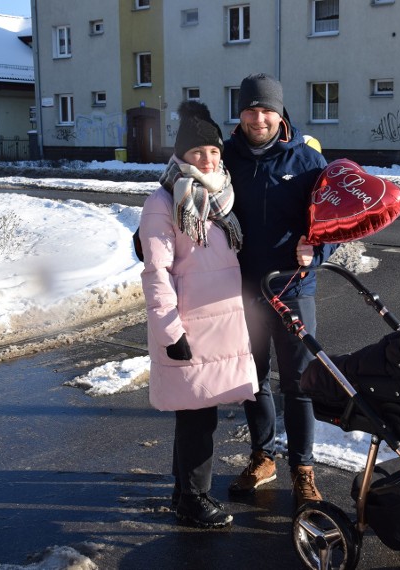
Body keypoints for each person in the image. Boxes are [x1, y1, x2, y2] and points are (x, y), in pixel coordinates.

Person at [136, 100, 258, 529]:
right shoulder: (163, 202)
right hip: (188, 326)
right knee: (197, 418)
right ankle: (194, 500)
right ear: (180, 156)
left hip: (219, 323)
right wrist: (171, 331)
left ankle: (183, 492)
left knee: (197, 413)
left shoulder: (219, 196)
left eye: (213, 152)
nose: (208, 159)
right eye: (198, 152)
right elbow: (156, 272)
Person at [223, 73, 338, 508]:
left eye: (266, 110)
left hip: (293, 288)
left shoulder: (307, 161)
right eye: (251, 109)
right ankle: (262, 456)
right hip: (242, 289)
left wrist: (319, 248)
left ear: (280, 113)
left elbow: (334, 222)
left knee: (300, 383)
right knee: (252, 380)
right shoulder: (225, 158)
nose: (258, 118)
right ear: (241, 111)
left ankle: (303, 468)